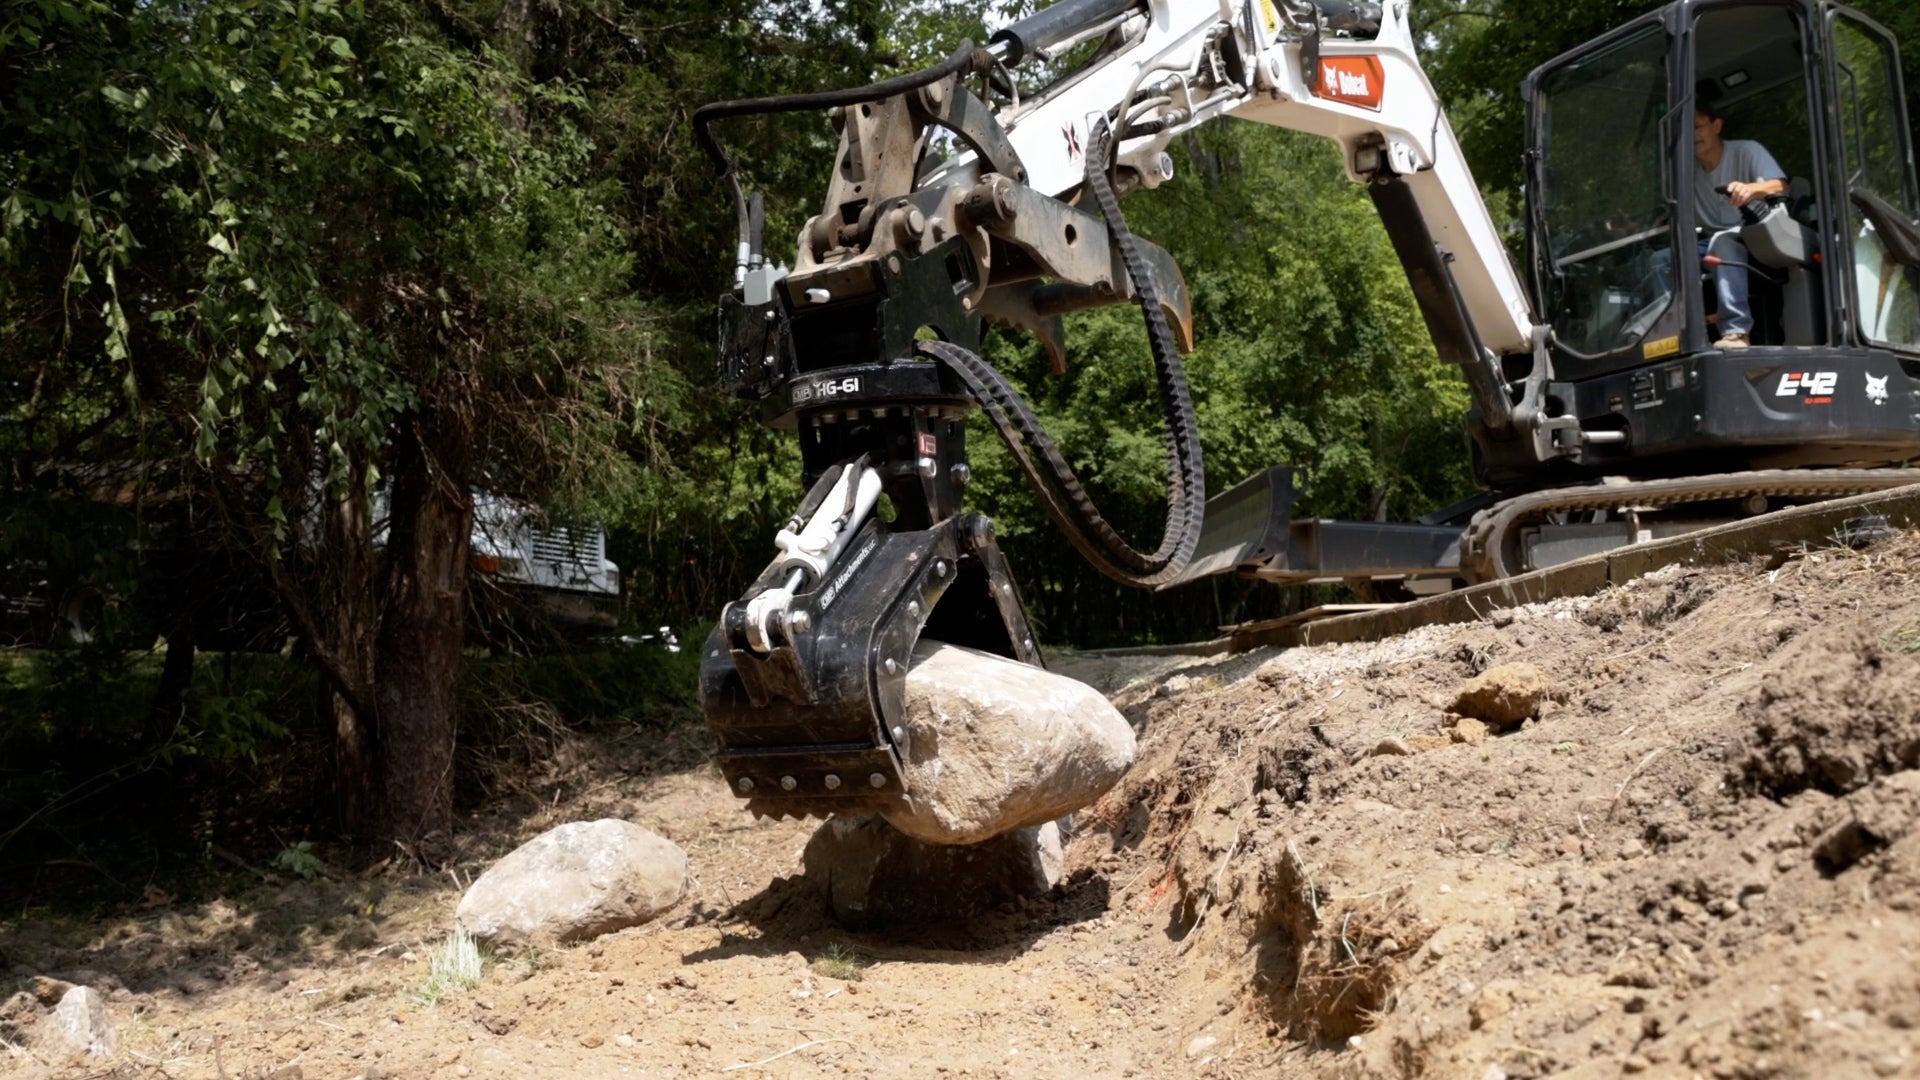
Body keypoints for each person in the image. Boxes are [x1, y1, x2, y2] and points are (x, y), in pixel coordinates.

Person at [1693, 99, 1787, 348]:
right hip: (1709, 238)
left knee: (1722, 243)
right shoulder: (1686, 171)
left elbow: (1780, 186)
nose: (1693, 136)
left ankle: (1736, 331)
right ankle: (1678, 334)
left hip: (1754, 234)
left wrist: (1751, 188)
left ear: (1717, 126)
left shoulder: (1747, 151)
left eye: (1698, 127)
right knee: (1664, 259)